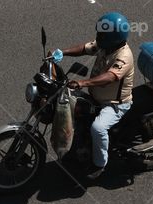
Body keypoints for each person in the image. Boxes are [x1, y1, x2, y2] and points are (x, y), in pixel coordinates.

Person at [57, 12, 135, 180]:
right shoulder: (105, 45)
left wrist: (83, 83)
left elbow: (110, 77)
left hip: (115, 104)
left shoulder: (123, 56)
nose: (97, 37)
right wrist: (61, 53)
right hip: (97, 98)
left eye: (101, 34)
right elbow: (84, 49)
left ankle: (99, 165)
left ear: (113, 37)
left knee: (98, 128)